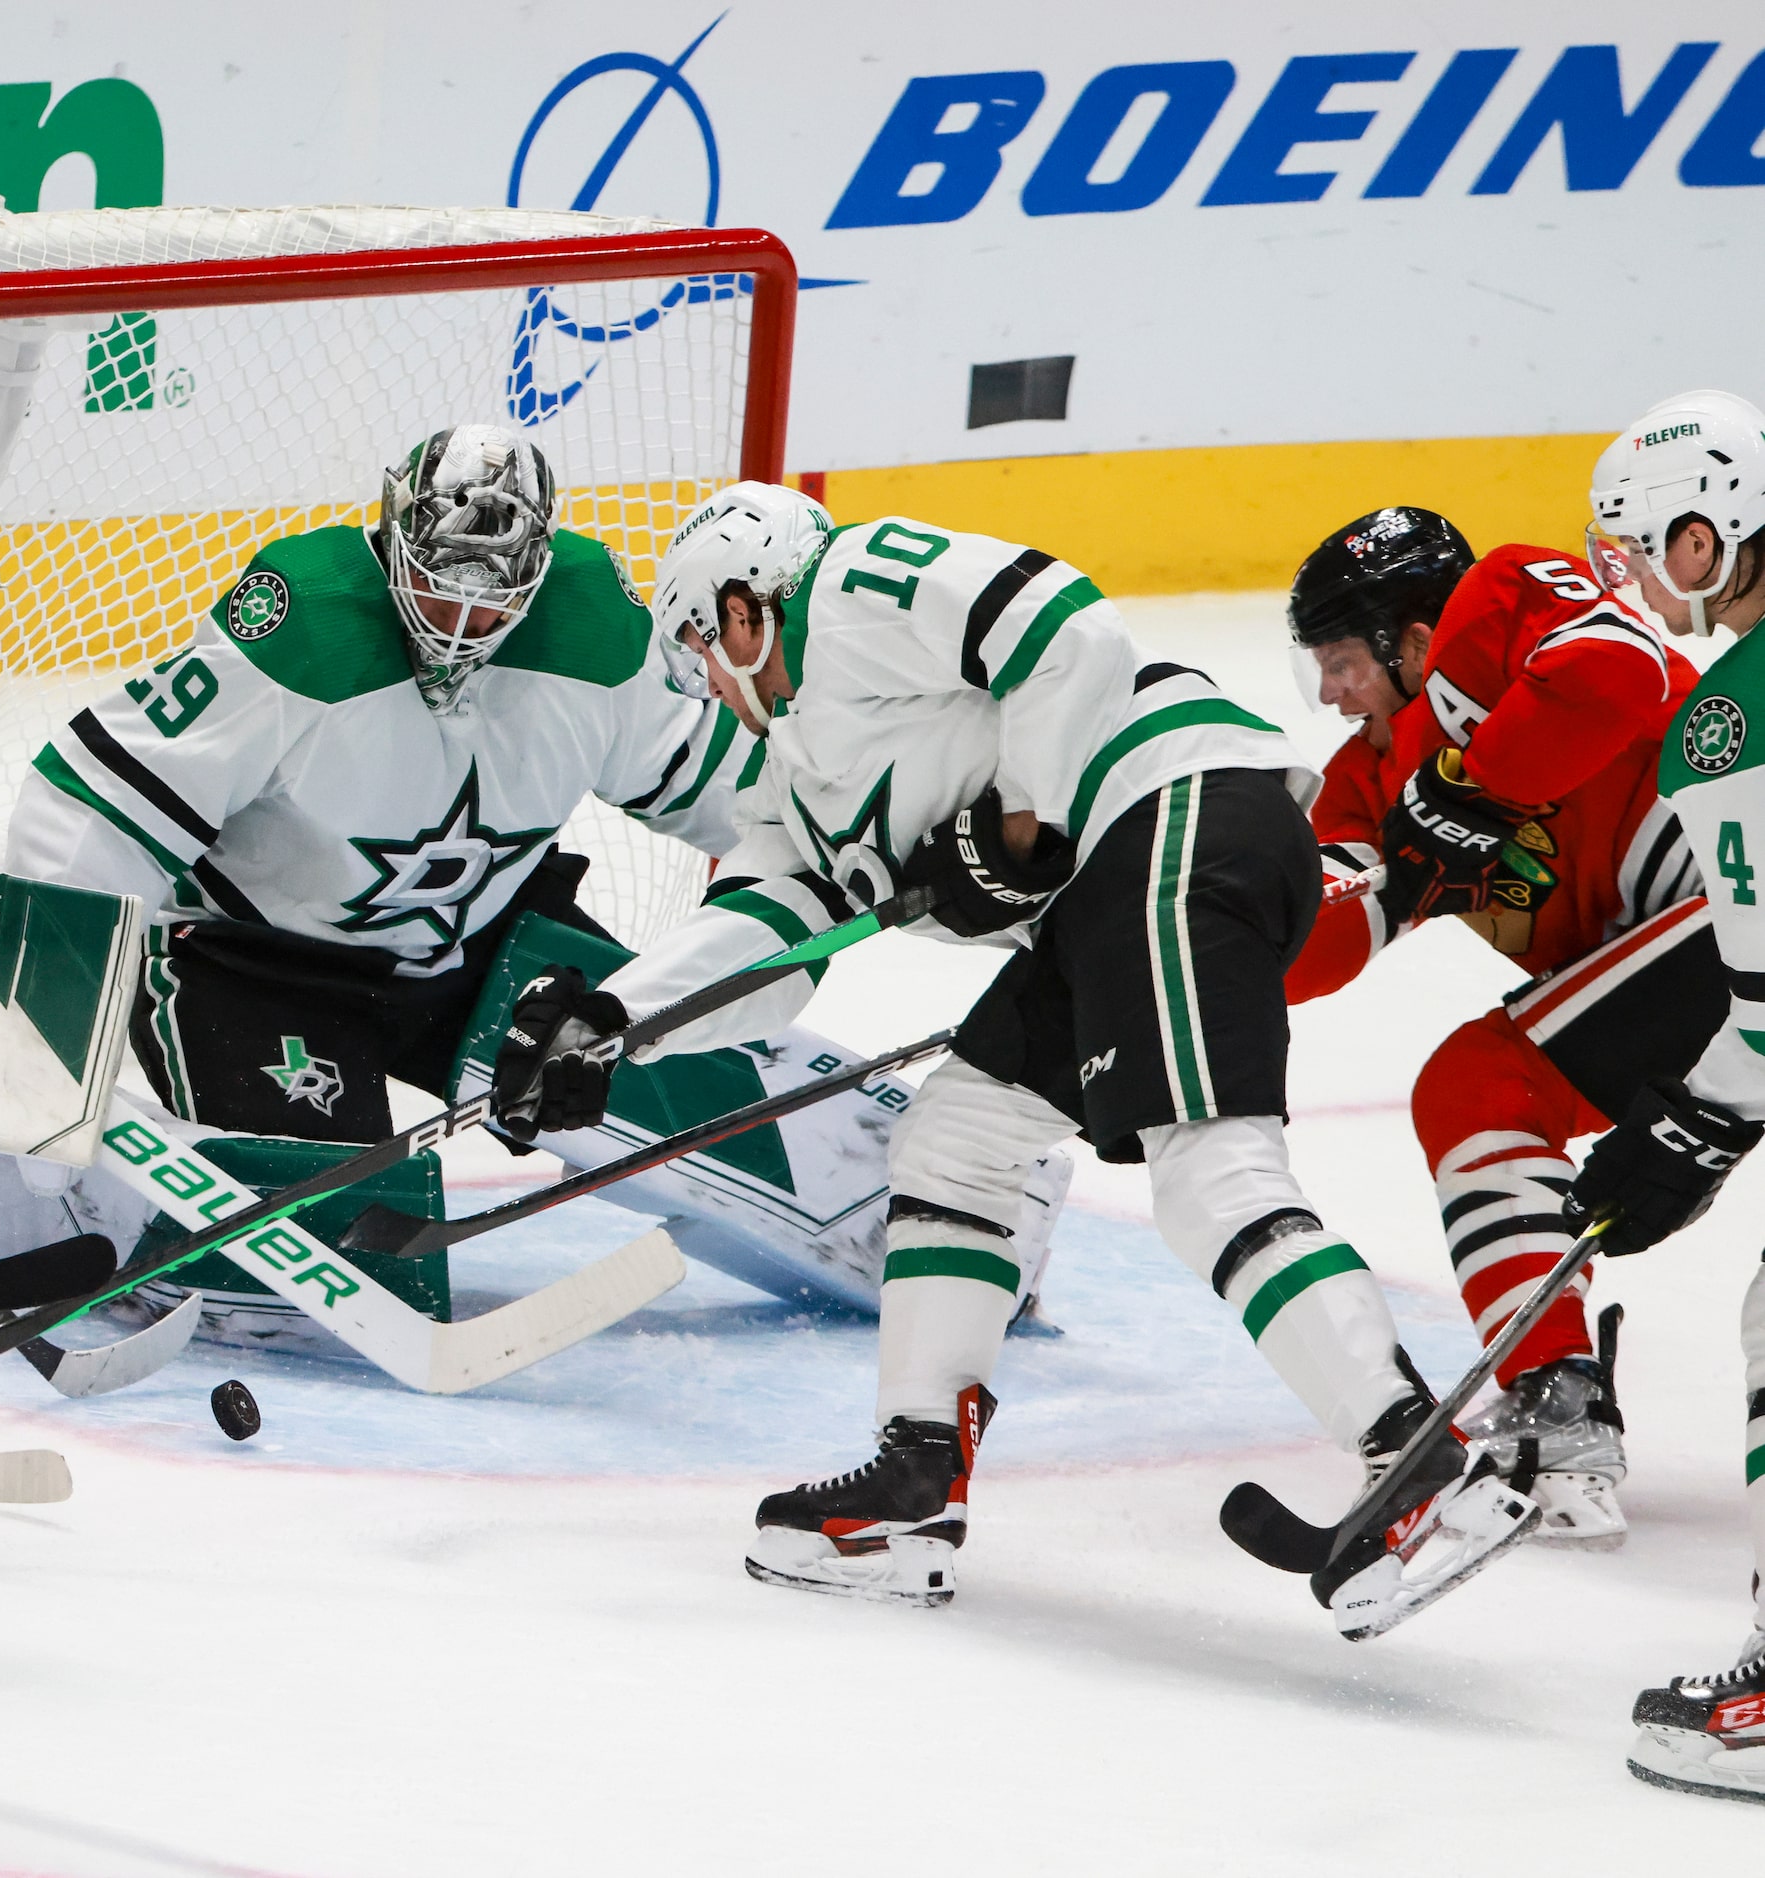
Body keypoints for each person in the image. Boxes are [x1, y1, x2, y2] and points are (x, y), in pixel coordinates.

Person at [494, 482, 1540, 1638]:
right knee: (957, 1142)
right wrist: (620, 1022)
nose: (708, 682)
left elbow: (1062, 626)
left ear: (744, 610)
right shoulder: (792, 777)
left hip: (1172, 810)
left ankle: (1416, 1452)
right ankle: (913, 1488)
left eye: (702, 644)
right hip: (1104, 895)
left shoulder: (852, 582)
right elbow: (773, 932)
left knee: (1207, 1170)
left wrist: (1027, 824)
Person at [0, 421, 754, 1145]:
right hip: (261, 971)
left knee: (734, 1106)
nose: (459, 620)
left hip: (484, 948)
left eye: (488, 600)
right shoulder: (307, 626)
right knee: (346, 1250)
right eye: (436, 587)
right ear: (393, 540)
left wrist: (849, 843)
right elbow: (93, 808)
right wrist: (38, 1066)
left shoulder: (591, 625)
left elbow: (725, 793)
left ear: (538, 571)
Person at [1283, 506, 1709, 1547]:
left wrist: (1472, 785)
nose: (1332, 693)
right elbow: (1316, 949)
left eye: (1342, 660)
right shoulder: (1364, 779)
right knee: (1481, 1091)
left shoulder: (1515, 597)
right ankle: (1556, 1394)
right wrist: (1193, 942)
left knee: (1478, 1081)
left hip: (1734, 909)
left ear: (1416, 638)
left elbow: (1619, 681)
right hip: (1674, 984)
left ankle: (1557, 1406)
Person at [1544, 390, 1765, 1803]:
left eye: (1640, 548)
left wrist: (1685, 1129)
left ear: (1706, 535)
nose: (1629, 578)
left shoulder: (1728, 722)